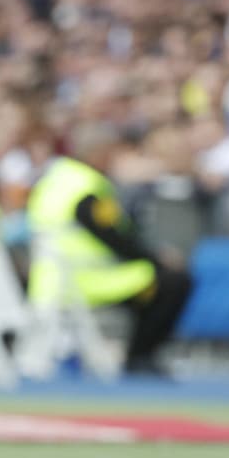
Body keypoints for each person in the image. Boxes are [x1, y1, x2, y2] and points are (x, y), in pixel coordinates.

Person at [27, 125, 192, 377]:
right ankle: (140, 356)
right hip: (85, 279)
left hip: (48, 278)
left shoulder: (57, 177)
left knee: (154, 283)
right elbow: (115, 237)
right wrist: (157, 258)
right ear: (99, 152)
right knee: (173, 281)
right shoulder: (87, 186)